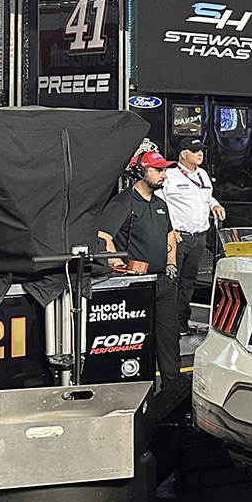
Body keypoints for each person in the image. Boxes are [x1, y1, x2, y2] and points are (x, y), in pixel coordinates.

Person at [96, 150, 181, 390]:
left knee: (169, 340)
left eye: (164, 170)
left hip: (162, 282)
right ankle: (134, 389)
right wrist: (120, 269)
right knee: (134, 341)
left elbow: (170, 235)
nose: (163, 175)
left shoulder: (161, 204)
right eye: (157, 170)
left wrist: (172, 263)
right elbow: (103, 238)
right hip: (136, 286)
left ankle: (173, 391)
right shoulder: (122, 203)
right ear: (139, 172)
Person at [160, 136, 224, 335]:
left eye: (201, 150)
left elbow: (207, 196)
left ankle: (181, 323)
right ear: (183, 154)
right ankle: (166, 324)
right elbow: (159, 204)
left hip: (199, 236)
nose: (200, 154)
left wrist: (215, 204)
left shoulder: (203, 174)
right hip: (179, 237)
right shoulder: (169, 175)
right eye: (195, 151)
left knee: (189, 282)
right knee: (172, 282)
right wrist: (169, 231)